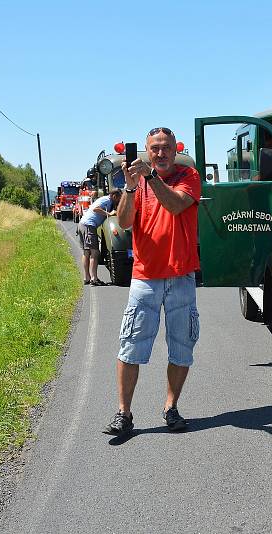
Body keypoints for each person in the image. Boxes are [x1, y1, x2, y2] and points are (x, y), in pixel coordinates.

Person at [102, 127, 201, 437]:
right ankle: (124, 413)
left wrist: (151, 179)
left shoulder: (189, 176)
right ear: (146, 151)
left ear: (175, 150)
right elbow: (125, 222)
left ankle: (171, 408)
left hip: (180, 276)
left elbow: (175, 205)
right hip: (145, 277)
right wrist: (131, 188)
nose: (160, 153)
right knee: (130, 344)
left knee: (181, 347)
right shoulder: (137, 184)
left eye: (166, 148)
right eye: (154, 148)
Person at [78, 189, 122, 286]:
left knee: (86, 252)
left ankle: (87, 277)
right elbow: (96, 209)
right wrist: (109, 214)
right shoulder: (107, 200)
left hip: (83, 224)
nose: (120, 200)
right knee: (95, 252)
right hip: (89, 225)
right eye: (119, 198)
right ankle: (94, 278)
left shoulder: (105, 200)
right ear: (114, 196)